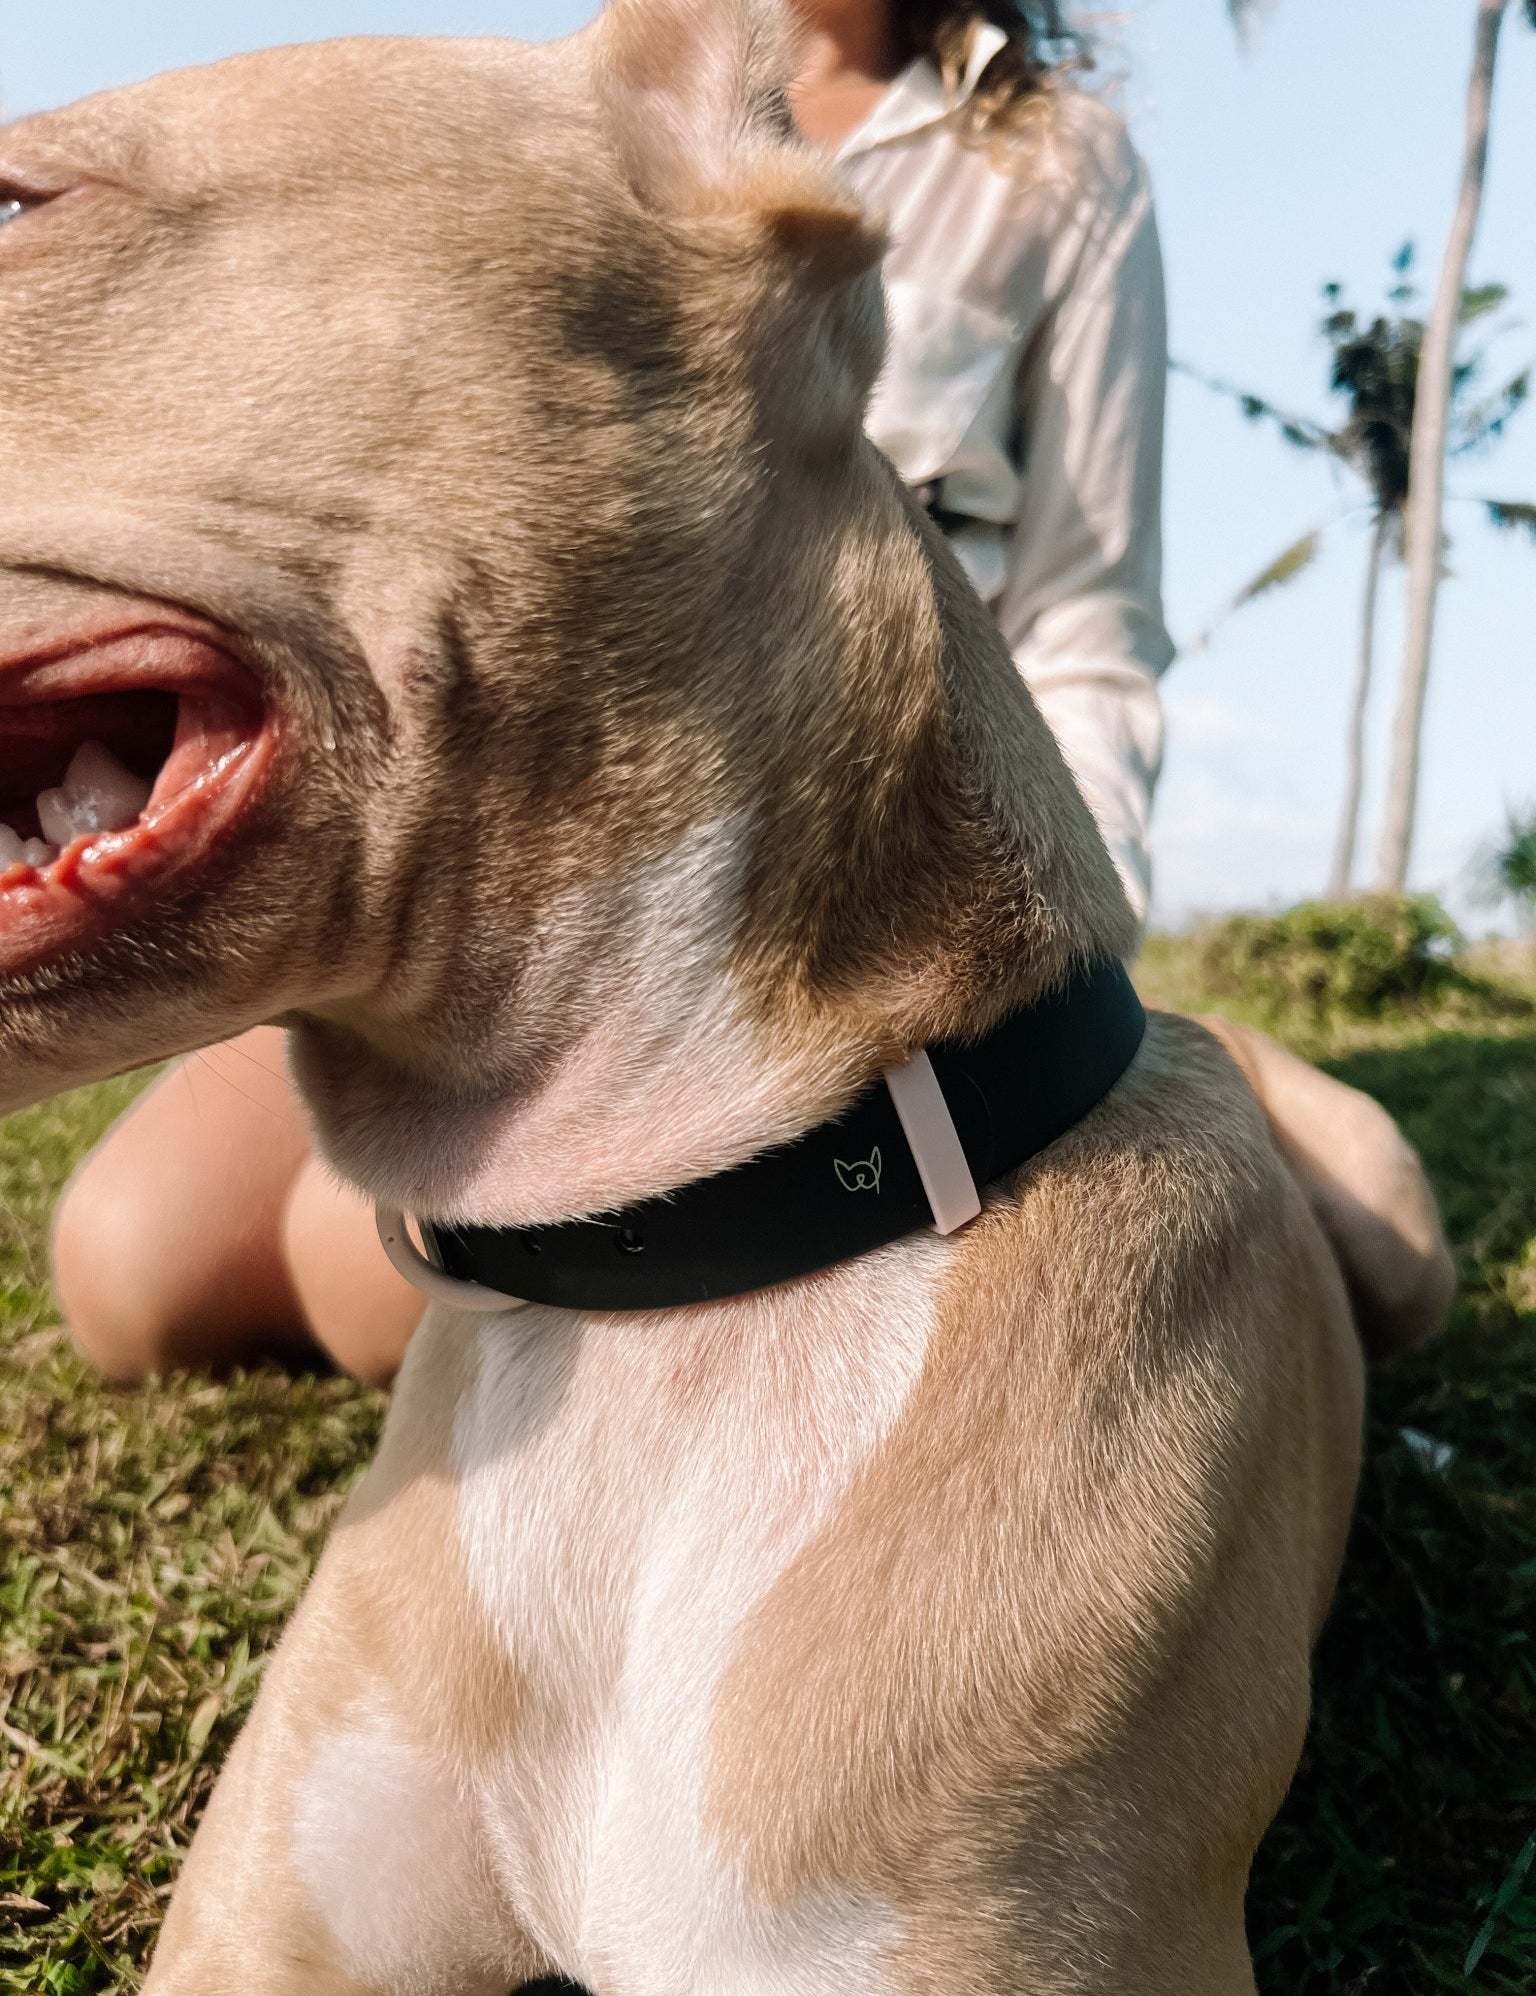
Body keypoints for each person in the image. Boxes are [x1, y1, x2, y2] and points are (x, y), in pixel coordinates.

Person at [51, 0, 1173, 1388]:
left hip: (829, 879)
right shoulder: (542, 97)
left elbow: (1087, 609)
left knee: (359, 1264)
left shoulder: (1053, 165)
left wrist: (1060, 981)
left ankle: (1183, 1105)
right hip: (485, 832)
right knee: (136, 1270)